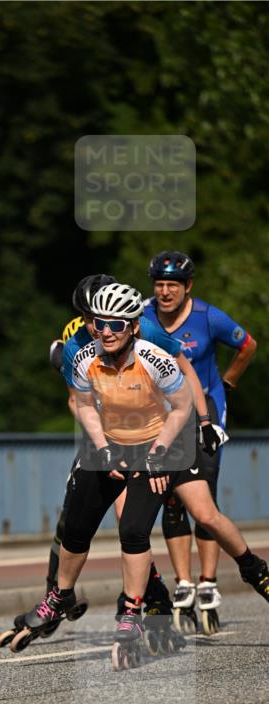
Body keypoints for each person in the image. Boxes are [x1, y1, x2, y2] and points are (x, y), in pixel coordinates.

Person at [12, 282, 268, 668]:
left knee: (201, 514)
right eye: (95, 322)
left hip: (167, 437)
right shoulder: (77, 349)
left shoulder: (149, 339)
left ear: (132, 325)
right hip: (116, 442)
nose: (103, 330)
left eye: (114, 323)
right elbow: (80, 402)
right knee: (102, 522)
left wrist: (203, 424)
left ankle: (254, 571)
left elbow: (183, 386)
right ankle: (108, 599)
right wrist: (101, 447)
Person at [144, 250, 258, 633]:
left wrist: (228, 383)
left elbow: (248, 345)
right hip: (165, 415)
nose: (164, 292)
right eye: (159, 285)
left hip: (206, 410)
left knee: (203, 497)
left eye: (172, 285)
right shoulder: (142, 316)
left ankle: (208, 581)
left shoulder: (209, 317)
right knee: (172, 498)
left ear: (187, 286)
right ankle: (184, 584)